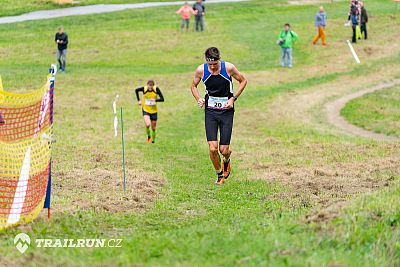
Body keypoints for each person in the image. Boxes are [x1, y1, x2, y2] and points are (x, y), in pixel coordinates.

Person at [191, 47, 247, 185]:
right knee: (212, 148)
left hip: (226, 111)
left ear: (219, 60)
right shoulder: (201, 70)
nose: (212, 67)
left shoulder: (228, 68)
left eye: (215, 64)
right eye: (209, 64)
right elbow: (193, 86)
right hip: (210, 111)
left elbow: (243, 81)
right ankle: (219, 175)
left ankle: (226, 160)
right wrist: (198, 98)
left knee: (224, 150)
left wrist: (233, 99)